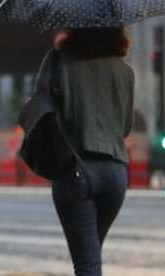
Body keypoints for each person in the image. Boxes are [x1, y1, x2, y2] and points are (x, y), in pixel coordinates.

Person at [41, 27, 134, 276]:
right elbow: (125, 128)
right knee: (91, 254)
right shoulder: (124, 71)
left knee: (87, 264)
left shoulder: (58, 61)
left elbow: (40, 109)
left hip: (76, 170)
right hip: (116, 174)